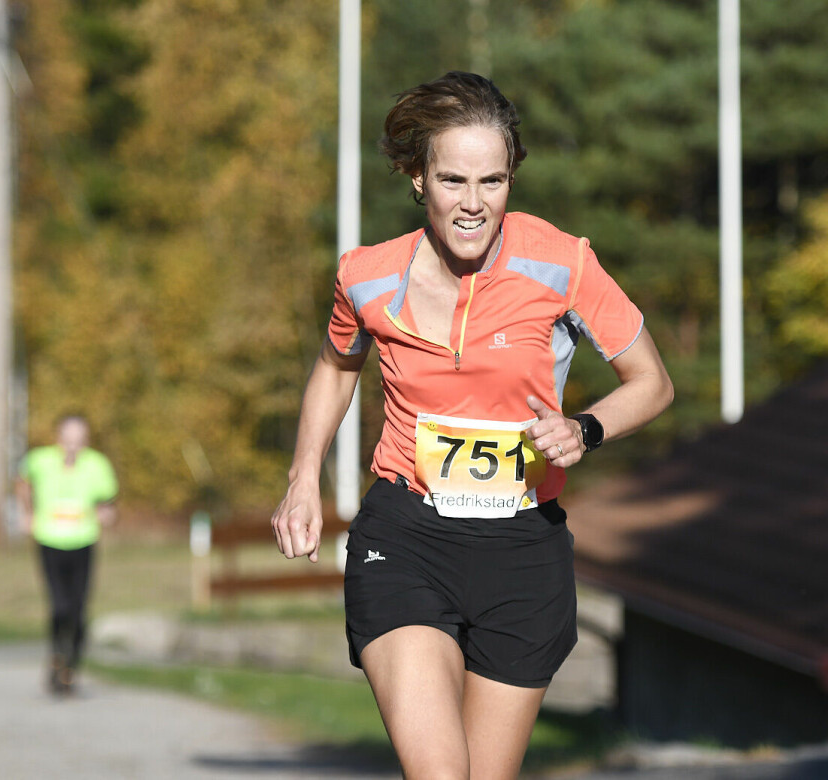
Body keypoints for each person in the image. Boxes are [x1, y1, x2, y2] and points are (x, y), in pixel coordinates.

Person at [271, 71, 673, 778]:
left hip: (522, 545)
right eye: (453, 180)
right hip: (407, 535)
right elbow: (337, 367)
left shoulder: (562, 263)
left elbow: (653, 383)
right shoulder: (366, 276)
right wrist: (303, 476)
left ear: (512, 178)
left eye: (493, 181)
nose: (473, 203)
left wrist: (585, 429)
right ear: (418, 179)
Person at [16, 413, 118, 695]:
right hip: (49, 539)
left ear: (87, 440)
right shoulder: (40, 460)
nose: (74, 445)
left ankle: (71, 665)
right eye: (68, 438)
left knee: (79, 607)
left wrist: (107, 512)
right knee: (59, 605)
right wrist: (27, 513)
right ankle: (56, 656)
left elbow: (108, 499)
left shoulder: (97, 464)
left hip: (83, 540)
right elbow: (22, 482)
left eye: (80, 439)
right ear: (58, 438)